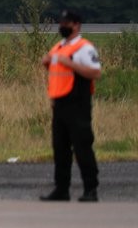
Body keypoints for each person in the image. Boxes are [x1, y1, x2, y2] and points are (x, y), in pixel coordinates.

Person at [40, 10, 101, 203]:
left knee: (82, 147)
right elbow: (55, 68)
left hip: (78, 104)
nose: (62, 26)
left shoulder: (84, 48)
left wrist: (71, 64)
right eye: (61, 22)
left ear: (76, 25)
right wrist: (47, 63)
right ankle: (61, 189)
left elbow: (94, 72)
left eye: (66, 23)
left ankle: (91, 189)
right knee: (60, 149)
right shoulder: (59, 46)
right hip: (59, 103)